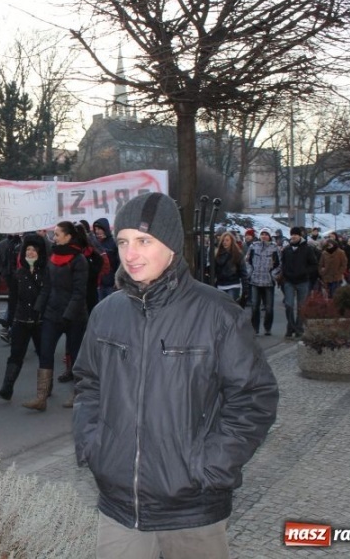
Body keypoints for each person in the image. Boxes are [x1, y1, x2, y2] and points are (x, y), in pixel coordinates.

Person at [73, 192, 278, 558]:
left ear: (171, 245)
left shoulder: (218, 314)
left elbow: (253, 398)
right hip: (120, 506)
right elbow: (89, 384)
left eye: (143, 241)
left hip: (193, 508)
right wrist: (93, 445)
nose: (130, 254)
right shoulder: (106, 313)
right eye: (122, 242)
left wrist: (209, 467)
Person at [22, 221, 88, 412]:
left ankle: (78, 393)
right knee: (45, 351)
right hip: (52, 313)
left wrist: (67, 315)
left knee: (75, 356)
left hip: (74, 317)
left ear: (68, 236)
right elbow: (47, 286)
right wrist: (38, 308)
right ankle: (41, 397)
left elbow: (79, 292)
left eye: (57, 234)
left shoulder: (79, 260)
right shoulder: (53, 256)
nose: (54, 236)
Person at [0, 233, 47, 401]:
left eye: (33, 250)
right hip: (21, 321)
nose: (30, 253)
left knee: (43, 355)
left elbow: (46, 295)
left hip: (40, 322)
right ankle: (6, 388)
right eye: (28, 249)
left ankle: (46, 388)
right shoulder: (19, 274)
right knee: (15, 354)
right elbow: (13, 300)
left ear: (40, 253)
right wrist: (10, 322)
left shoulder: (44, 273)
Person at [280, 226, 318, 337]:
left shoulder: (307, 248)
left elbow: (314, 265)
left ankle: (299, 328)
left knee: (301, 306)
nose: (293, 236)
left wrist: (305, 272)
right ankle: (291, 327)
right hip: (289, 281)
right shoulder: (287, 249)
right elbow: (283, 264)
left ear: (299, 235)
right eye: (291, 234)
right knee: (289, 305)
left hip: (303, 281)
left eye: (295, 234)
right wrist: (285, 273)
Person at [245, 228, 280, 336]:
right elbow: (247, 260)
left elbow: (280, 263)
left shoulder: (274, 248)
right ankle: (255, 328)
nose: (264, 236)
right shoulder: (253, 246)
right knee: (255, 306)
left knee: (269, 307)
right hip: (255, 281)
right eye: (262, 234)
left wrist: (273, 274)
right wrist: (250, 272)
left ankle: (267, 328)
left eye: (266, 234)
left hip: (268, 282)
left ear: (270, 236)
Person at [92, 218, 119, 300]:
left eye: (99, 229)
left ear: (105, 229)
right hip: (98, 283)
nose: (97, 231)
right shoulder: (94, 242)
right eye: (95, 229)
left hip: (111, 282)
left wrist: (117, 279)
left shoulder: (113, 242)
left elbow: (118, 262)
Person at [214, 231, 245, 301]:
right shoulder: (217, 255)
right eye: (223, 240)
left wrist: (245, 290)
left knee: (230, 307)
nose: (225, 242)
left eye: (227, 240)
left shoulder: (237, 254)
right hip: (221, 285)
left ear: (232, 241)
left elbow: (243, 272)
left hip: (233, 284)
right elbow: (215, 270)